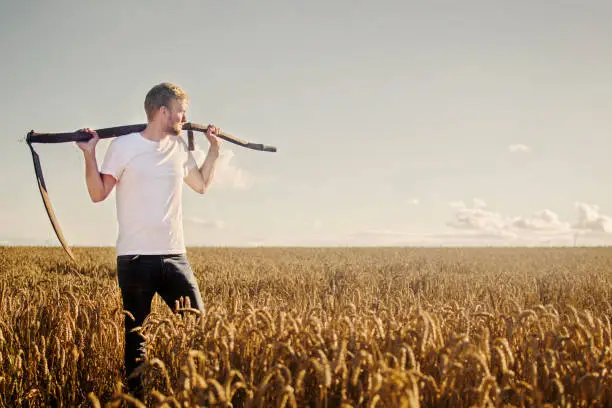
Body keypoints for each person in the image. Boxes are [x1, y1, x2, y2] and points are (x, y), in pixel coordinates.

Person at [75, 82, 220, 400]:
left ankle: (196, 394)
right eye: (181, 112)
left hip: (175, 257)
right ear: (163, 111)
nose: (185, 118)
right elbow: (98, 193)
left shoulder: (179, 147)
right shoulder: (123, 146)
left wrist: (214, 150)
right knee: (136, 338)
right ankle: (135, 400)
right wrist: (90, 154)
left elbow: (201, 185)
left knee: (200, 329)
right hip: (135, 259)